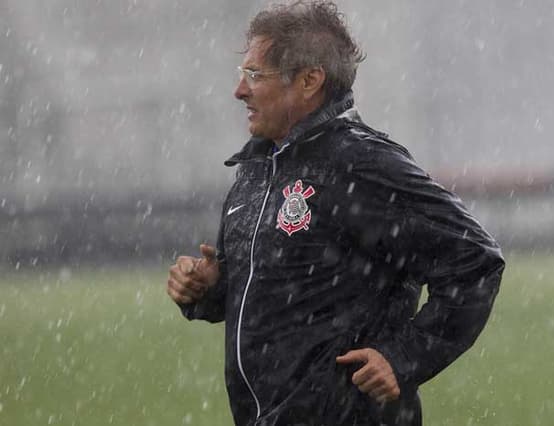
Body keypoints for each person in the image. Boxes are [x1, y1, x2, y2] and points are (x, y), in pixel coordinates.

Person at [166, 1, 505, 425]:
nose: (239, 90)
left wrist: (402, 358)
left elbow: (475, 261)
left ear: (310, 81)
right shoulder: (255, 169)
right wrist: (211, 288)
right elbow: (268, 289)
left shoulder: (362, 164)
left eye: (255, 75)